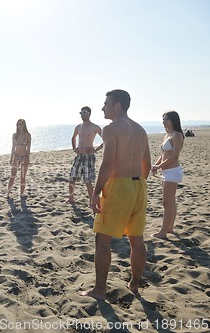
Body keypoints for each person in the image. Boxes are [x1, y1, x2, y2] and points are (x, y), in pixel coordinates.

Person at [79, 90, 151, 300]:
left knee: (102, 239)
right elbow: (146, 163)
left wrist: (97, 192)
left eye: (106, 104)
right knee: (136, 239)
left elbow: (108, 162)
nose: (102, 108)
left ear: (117, 106)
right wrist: (137, 183)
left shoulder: (111, 129)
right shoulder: (140, 130)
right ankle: (134, 285)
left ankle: (99, 290)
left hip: (119, 186)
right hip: (139, 186)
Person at [152, 111, 184, 239]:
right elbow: (163, 154)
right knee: (171, 202)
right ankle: (170, 228)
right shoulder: (167, 135)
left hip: (172, 172)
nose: (164, 121)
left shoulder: (177, 135)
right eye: (163, 119)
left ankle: (163, 232)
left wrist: (159, 166)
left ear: (173, 120)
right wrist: (156, 165)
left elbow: (174, 155)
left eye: (167, 119)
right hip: (166, 172)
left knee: (167, 202)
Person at [68, 106, 103, 203]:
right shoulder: (78, 127)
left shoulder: (94, 127)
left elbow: (106, 140)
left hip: (89, 157)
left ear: (89, 113)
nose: (82, 114)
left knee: (88, 181)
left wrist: (95, 150)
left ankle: (92, 201)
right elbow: (73, 138)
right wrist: (74, 148)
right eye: (81, 112)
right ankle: (71, 199)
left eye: (84, 112)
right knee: (72, 178)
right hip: (79, 156)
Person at [7, 119, 31, 198]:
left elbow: (28, 148)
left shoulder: (27, 135)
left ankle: (21, 192)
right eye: (18, 124)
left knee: (23, 177)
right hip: (16, 157)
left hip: (24, 158)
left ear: (24, 125)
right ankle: (8, 193)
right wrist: (11, 158)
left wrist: (27, 158)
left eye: (21, 124)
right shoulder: (14, 135)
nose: (20, 125)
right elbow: (13, 147)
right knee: (12, 176)